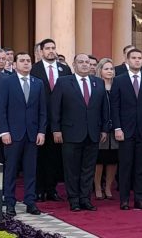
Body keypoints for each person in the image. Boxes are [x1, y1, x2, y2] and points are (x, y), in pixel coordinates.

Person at [51, 53, 109, 212]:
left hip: (93, 133)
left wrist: (104, 129)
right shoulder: (63, 82)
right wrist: (56, 129)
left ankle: (85, 199)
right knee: (72, 169)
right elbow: (55, 108)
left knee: (88, 168)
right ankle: (74, 200)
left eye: (87, 62)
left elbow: (104, 108)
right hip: (70, 132)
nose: (85, 65)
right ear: (74, 64)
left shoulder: (98, 83)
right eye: (81, 62)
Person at [0, 52, 47, 216]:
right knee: (11, 170)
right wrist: (4, 131)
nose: (26, 63)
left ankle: (30, 202)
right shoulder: (6, 82)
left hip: (32, 134)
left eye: (28, 61)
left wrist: (41, 131)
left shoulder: (38, 83)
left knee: (31, 170)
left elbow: (42, 111)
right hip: (12, 133)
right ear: (15, 64)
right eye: (22, 61)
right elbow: (1, 109)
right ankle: (10, 202)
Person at [110, 49, 142, 210]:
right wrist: (117, 127)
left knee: (141, 166)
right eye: (134, 58)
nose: (137, 61)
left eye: (140, 58)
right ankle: (124, 199)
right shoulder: (119, 80)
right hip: (125, 130)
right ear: (127, 60)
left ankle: (140, 198)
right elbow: (114, 106)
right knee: (125, 166)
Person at [31, 38, 72, 202]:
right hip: (40, 119)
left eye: (53, 48)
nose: (51, 51)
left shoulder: (64, 69)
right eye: (47, 48)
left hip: (61, 120)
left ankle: (52, 189)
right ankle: (39, 189)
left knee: (56, 156)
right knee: (40, 156)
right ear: (41, 51)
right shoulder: (34, 69)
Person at [94, 58, 118, 200]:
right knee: (99, 159)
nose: (110, 71)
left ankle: (108, 187)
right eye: (106, 69)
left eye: (111, 69)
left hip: (116, 128)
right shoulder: (96, 85)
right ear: (100, 71)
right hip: (100, 128)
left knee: (112, 159)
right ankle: (97, 186)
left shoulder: (118, 85)